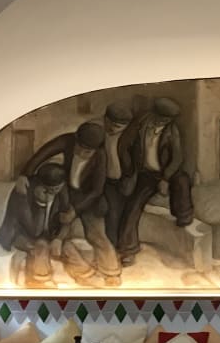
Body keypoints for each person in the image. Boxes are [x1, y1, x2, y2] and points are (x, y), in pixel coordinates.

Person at [19, 121, 122, 286]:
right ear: (76, 140)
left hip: (88, 199)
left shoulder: (100, 156)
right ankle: (55, 271)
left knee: (96, 235)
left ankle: (111, 272)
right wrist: (25, 174)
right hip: (65, 193)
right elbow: (41, 154)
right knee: (55, 231)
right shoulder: (66, 141)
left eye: (87, 151)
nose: (82, 153)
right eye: (79, 148)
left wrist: (76, 210)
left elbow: (97, 191)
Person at [117, 97, 193, 265]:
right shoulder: (139, 124)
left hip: (165, 171)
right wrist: (129, 170)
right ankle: (128, 250)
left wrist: (166, 179)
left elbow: (177, 158)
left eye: (166, 120)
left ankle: (184, 216)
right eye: (160, 119)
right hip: (144, 173)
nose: (162, 123)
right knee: (133, 206)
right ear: (154, 114)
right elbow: (123, 145)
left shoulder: (172, 130)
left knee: (182, 180)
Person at [0, 163, 72, 287]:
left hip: (48, 234)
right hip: (19, 234)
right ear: (41, 185)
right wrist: (41, 204)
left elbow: (66, 218)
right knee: (40, 248)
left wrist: (59, 238)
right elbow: (34, 231)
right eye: (53, 189)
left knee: (69, 248)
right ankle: (38, 283)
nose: (56, 192)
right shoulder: (23, 194)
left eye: (59, 188)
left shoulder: (61, 191)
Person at [102, 101, 133, 245]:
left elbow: (134, 162)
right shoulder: (99, 134)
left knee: (123, 215)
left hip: (122, 181)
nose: (113, 129)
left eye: (119, 127)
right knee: (112, 215)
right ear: (105, 119)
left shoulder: (128, 138)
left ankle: (121, 246)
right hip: (104, 181)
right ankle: (113, 247)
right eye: (111, 124)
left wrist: (129, 179)